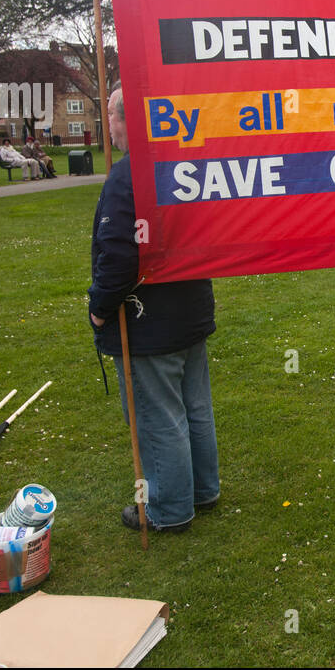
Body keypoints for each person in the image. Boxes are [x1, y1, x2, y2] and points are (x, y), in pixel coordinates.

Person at [88, 84, 220, 532]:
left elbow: (120, 254)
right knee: (193, 407)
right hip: (189, 310)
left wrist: (100, 308)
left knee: (159, 417)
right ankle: (203, 490)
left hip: (151, 320)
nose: (109, 127)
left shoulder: (130, 176)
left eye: (111, 116)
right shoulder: (185, 164)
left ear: (128, 119)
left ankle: (169, 508)